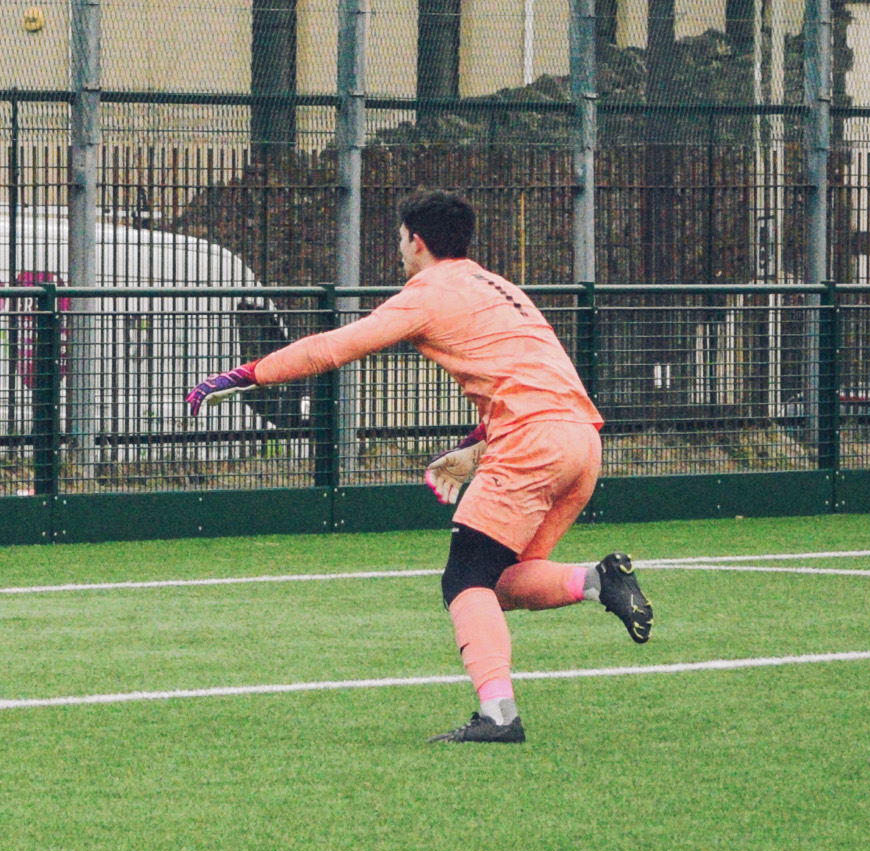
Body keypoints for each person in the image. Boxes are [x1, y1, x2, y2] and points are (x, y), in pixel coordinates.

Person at [184, 190, 653, 744]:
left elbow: (334, 347)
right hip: (581, 442)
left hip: (531, 442)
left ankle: (499, 717)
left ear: (417, 240)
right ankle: (599, 581)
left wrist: (244, 375)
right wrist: (474, 447)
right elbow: (533, 376)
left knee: (464, 580)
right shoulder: (501, 287)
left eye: (400, 240)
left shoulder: (427, 292)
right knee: (499, 581)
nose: (399, 251)